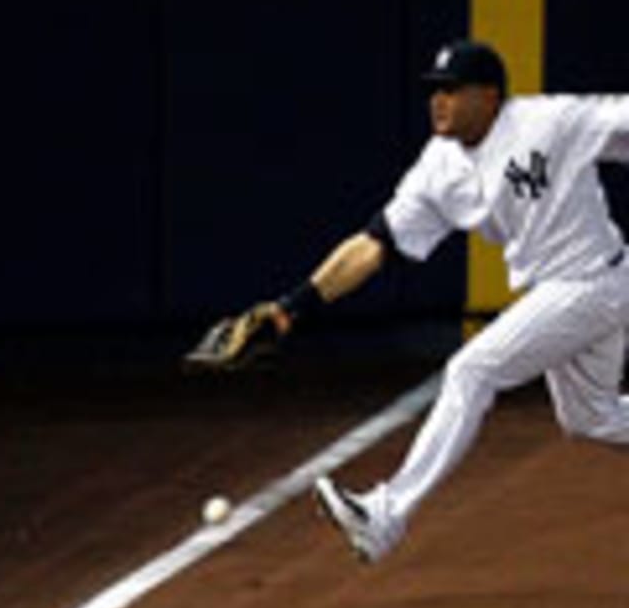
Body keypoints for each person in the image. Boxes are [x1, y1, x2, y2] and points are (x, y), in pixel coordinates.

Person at [247, 39, 629, 561]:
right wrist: (294, 307)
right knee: (592, 417)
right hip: (568, 291)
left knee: (473, 370)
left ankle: (386, 514)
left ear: (490, 96)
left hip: (591, 282)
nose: (438, 100)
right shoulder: (439, 167)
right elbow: (374, 244)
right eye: (434, 90)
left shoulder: (550, 121)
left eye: (452, 89)